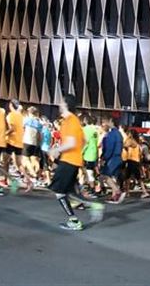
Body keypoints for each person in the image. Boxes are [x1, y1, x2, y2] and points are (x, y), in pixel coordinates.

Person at [47, 93, 103, 231]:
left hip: (69, 161)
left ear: (66, 104)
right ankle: (90, 206)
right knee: (69, 192)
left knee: (59, 192)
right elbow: (82, 141)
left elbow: (72, 142)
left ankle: (75, 219)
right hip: (71, 160)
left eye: (61, 102)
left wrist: (57, 150)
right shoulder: (71, 121)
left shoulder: (71, 120)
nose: (59, 105)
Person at [100, 119, 125, 204]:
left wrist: (104, 157)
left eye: (107, 121)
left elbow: (109, 148)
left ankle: (118, 192)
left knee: (105, 176)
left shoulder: (111, 134)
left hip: (112, 157)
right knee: (113, 177)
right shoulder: (119, 134)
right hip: (119, 157)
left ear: (111, 122)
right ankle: (114, 196)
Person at [5, 99, 29, 192]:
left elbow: (12, 128)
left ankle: (6, 180)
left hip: (11, 141)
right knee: (19, 164)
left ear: (11, 105)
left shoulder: (11, 115)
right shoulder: (21, 116)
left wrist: (4, 134)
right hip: (19, 141)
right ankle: (28, 180)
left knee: (5, 161)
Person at [22, 106, 43, 186]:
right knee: (34, 160)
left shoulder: (27, 120)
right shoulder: (39, 123)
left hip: (27, 141)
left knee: (25, 159)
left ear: (29, 113)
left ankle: (33, 174)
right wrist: (38, 143)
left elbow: (22, 129)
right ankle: (31, 175)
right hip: (35, 143)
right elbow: (39, 135)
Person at [81, 115, 100, 194]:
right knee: (92, 171)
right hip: (94, 152)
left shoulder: (86, 130)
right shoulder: (96, 130)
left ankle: (93, 189)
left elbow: (85, 142)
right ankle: (93, 186)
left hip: (88, 154)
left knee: (89, 172)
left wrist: (81, 152)